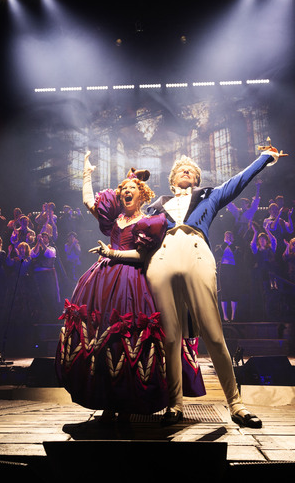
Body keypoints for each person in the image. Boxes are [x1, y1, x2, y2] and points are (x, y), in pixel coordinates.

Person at [56, 153, 205, 421]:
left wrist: (111, 253)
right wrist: (86, 173)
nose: (126, 192)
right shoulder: (114, 220)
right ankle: (107, 400)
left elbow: (143, 256)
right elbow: (90, 202)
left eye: (132, 189)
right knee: (104, 340)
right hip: (102, 281)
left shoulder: (150, 221)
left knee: (130, 338)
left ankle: (130, 400)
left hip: (133, 280)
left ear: (142, 195)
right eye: (123, 189)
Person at [145, 149, 281, 428]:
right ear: (172, 180)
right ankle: (174, 404)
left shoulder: (209, 195)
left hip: (196, 252)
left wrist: (265, 158)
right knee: (170, 338)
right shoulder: (155, 206)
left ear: (196, 179)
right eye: (181, 169)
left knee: (214, 334)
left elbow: (238, 180)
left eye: (191, 170)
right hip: (162, 259)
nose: (186, 171)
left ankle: (236, 404)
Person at [213, 231, 243, 321]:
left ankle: (233, 316)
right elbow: (217, 254)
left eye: (230, 235)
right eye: (226, 235)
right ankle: (225, 316)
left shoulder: (236, 247)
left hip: (233, 269)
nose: (228, 237)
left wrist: (230, 244)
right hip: (223, 269)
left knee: (233, 291)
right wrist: (225, 243)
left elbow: (239, 255)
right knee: (224, 291)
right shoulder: (220, 246)